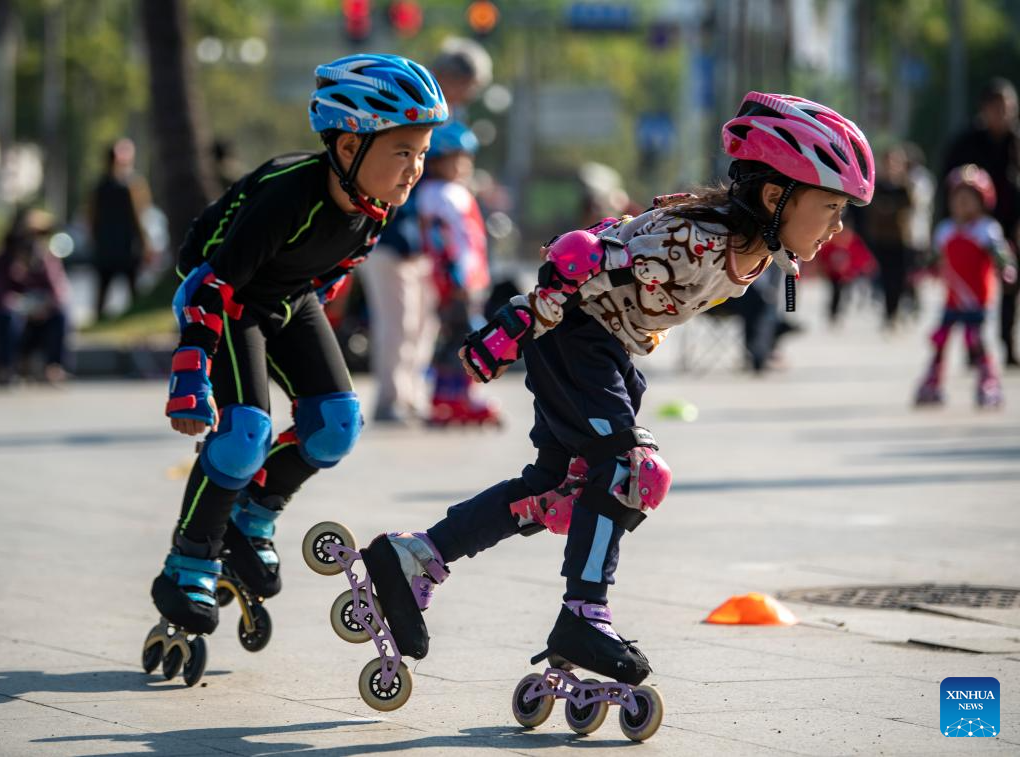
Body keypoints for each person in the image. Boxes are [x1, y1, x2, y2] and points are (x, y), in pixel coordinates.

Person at [328, 92, 875, 700]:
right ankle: (584, 616)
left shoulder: (757, 247)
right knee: (630, 472)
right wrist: (511, 331)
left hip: (607, 348)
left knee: (558, 488)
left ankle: (414, 558)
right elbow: (580, 254)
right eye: (831, 206)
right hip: (576, 337)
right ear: (776, 197)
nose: (838, 224)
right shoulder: (694, 239)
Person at [147, 55, 447, 654]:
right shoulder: (287, 195)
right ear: (345, 145)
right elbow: (211, 286)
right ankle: (190, 562)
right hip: (227, 300)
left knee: (336, 426)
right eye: (401, 152)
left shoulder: (374, 205)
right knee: (242, 434)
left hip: (286, 300)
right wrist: (191, 377)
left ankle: (250, 516)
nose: (414, 169)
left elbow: (332, 270)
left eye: (420, 152)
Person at [362, 38, 493, 424]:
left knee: (422, 322)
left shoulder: (450, 119)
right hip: (391, 234)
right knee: (397, 321)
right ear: (450, 76)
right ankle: (390, 399)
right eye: (466, 86)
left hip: (422, 243)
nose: (467, 95)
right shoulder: (411, 108)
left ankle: (412, 395)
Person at [914, 165, 1017, 408]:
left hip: (976, 299)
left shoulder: (986, 230)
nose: (961, 204)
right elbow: (935, 257)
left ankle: (988, 383)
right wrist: (923, 270)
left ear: (982, 201)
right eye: (957, 198)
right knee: (940, 340)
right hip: (952, 299)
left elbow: (1000, 253)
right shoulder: (945, 230)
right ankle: (932, 382)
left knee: (975, 341)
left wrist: (1006, 268)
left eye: (968, 199)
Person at [416, 121, 497, 425]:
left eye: (467, 159)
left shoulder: (451, 191)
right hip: (456, 282)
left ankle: (446, 395)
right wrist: (455, 279)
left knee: (456, 337)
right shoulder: (438, 194)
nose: (464, 166)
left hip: (469, 279)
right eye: (456, 159)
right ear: (436, 161)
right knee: (468, 338)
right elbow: (441, 241)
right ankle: (460, 396)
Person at [943, 78, 1020, 366]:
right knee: (971, 288)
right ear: (984, 109)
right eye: (995, 107)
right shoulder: (966, 143)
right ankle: (972, 345)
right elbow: (948, 186)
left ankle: (1007, 344)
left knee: (1011, 285)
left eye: (1007, 107)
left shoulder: (1016, 142)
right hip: (973, 228)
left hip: (1011, 226)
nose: (1001, 113)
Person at [0, 208, 70, 385]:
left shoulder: (46, 259)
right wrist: (21, 306)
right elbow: (0, 295)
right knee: (8, 318)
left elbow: (58, 293)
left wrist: (43, 306)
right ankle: (6, 368)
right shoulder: (4, 260)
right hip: (13, 319)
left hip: (39, 318)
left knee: (60, 315)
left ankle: (53, 367)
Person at [87, 138, 153, 320]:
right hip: (124, 246)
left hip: (110, 246)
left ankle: (105, 318)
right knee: (125, 290)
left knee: (108, 290)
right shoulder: (131, 185)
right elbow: (139, 216)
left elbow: (90, 218)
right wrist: (146, 243)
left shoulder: (99, 186)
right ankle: (133, 318)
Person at [860, 145, 913, 329]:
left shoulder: (905, 186)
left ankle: (894, 312)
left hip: (900, 238)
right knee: (882, 278)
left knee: (898, 279)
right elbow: (871, 209)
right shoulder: (876, 186)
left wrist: (889, 207)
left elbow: (909, 208)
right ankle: (887, 312)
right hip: (880, 238)